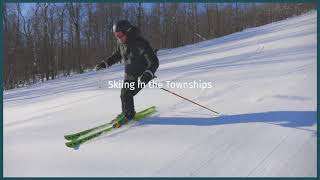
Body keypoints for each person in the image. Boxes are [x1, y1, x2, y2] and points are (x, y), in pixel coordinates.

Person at [96, 20, 159, 128]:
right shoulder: (121, 43)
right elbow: (116, 55)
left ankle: (129, 114)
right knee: (123, 94)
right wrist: (105, 63)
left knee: (127, 94)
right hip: (129, 73)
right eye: (116, 36)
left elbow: (154, 62)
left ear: (128, 32)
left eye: (120, 35)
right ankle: (125, 112)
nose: (119, 38)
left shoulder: (140, 43)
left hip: (141, 74)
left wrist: (148, 73)